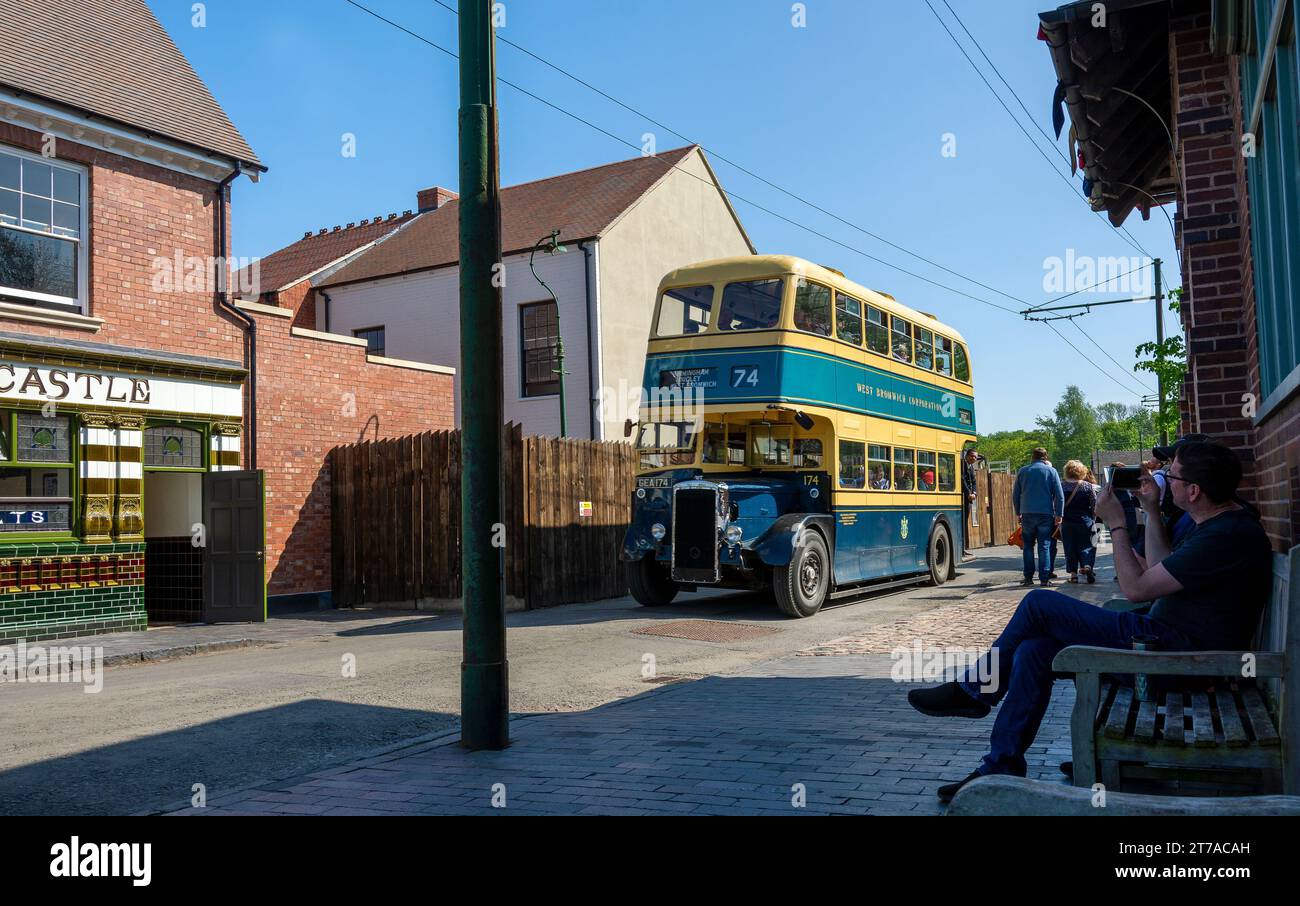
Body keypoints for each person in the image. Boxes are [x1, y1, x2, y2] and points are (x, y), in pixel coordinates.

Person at [907, 441, 1273, 803]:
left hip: (1175, 658)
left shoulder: (1226, 535)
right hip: (1163, 644)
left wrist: (1116, 524)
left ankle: (975, 691)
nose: (1164, 478)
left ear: (1193, 491)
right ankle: (1000, 764)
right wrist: (1152, 510)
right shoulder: (1215, 523)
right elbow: (1156, 569)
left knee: (1039, 603)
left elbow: (1135, 588)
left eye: (1171, 475)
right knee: (1035, 650)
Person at [1012, 448, 1063, 587]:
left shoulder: (1023, 471)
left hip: (1027, 513)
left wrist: (1018, 512)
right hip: (1046, 514)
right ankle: (1044, 579)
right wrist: (1059, 514)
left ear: (1032, 456)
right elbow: (1059, 495)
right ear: (1045, 458)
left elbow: (1015, 494)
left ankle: (1028, 578)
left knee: (1028, 546)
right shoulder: (1051, 471)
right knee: (1044, 546)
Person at [1059, 460, 1098, 584]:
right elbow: (1095, 504)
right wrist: (1093, 518)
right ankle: (1087, 566)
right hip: (1085, 521)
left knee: (1070, 547)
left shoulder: (1061, 485)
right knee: (1087, 546)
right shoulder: (1088, 486)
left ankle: (1073, 575)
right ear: (1082, 471)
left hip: (1067, 522)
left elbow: (1057, 503)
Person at [961, 449, 981, 561]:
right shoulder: (962, 465)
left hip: (969, 498)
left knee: (965, 523)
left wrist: (974, 492)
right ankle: (962, 548)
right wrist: (968, 493)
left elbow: (973, 481)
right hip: (963, 498)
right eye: (973, 456)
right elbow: (962, 479)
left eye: (976, 457)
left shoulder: (971, 467)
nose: (974, 459)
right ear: (968, 456)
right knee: (962, 524)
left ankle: (963, 548)